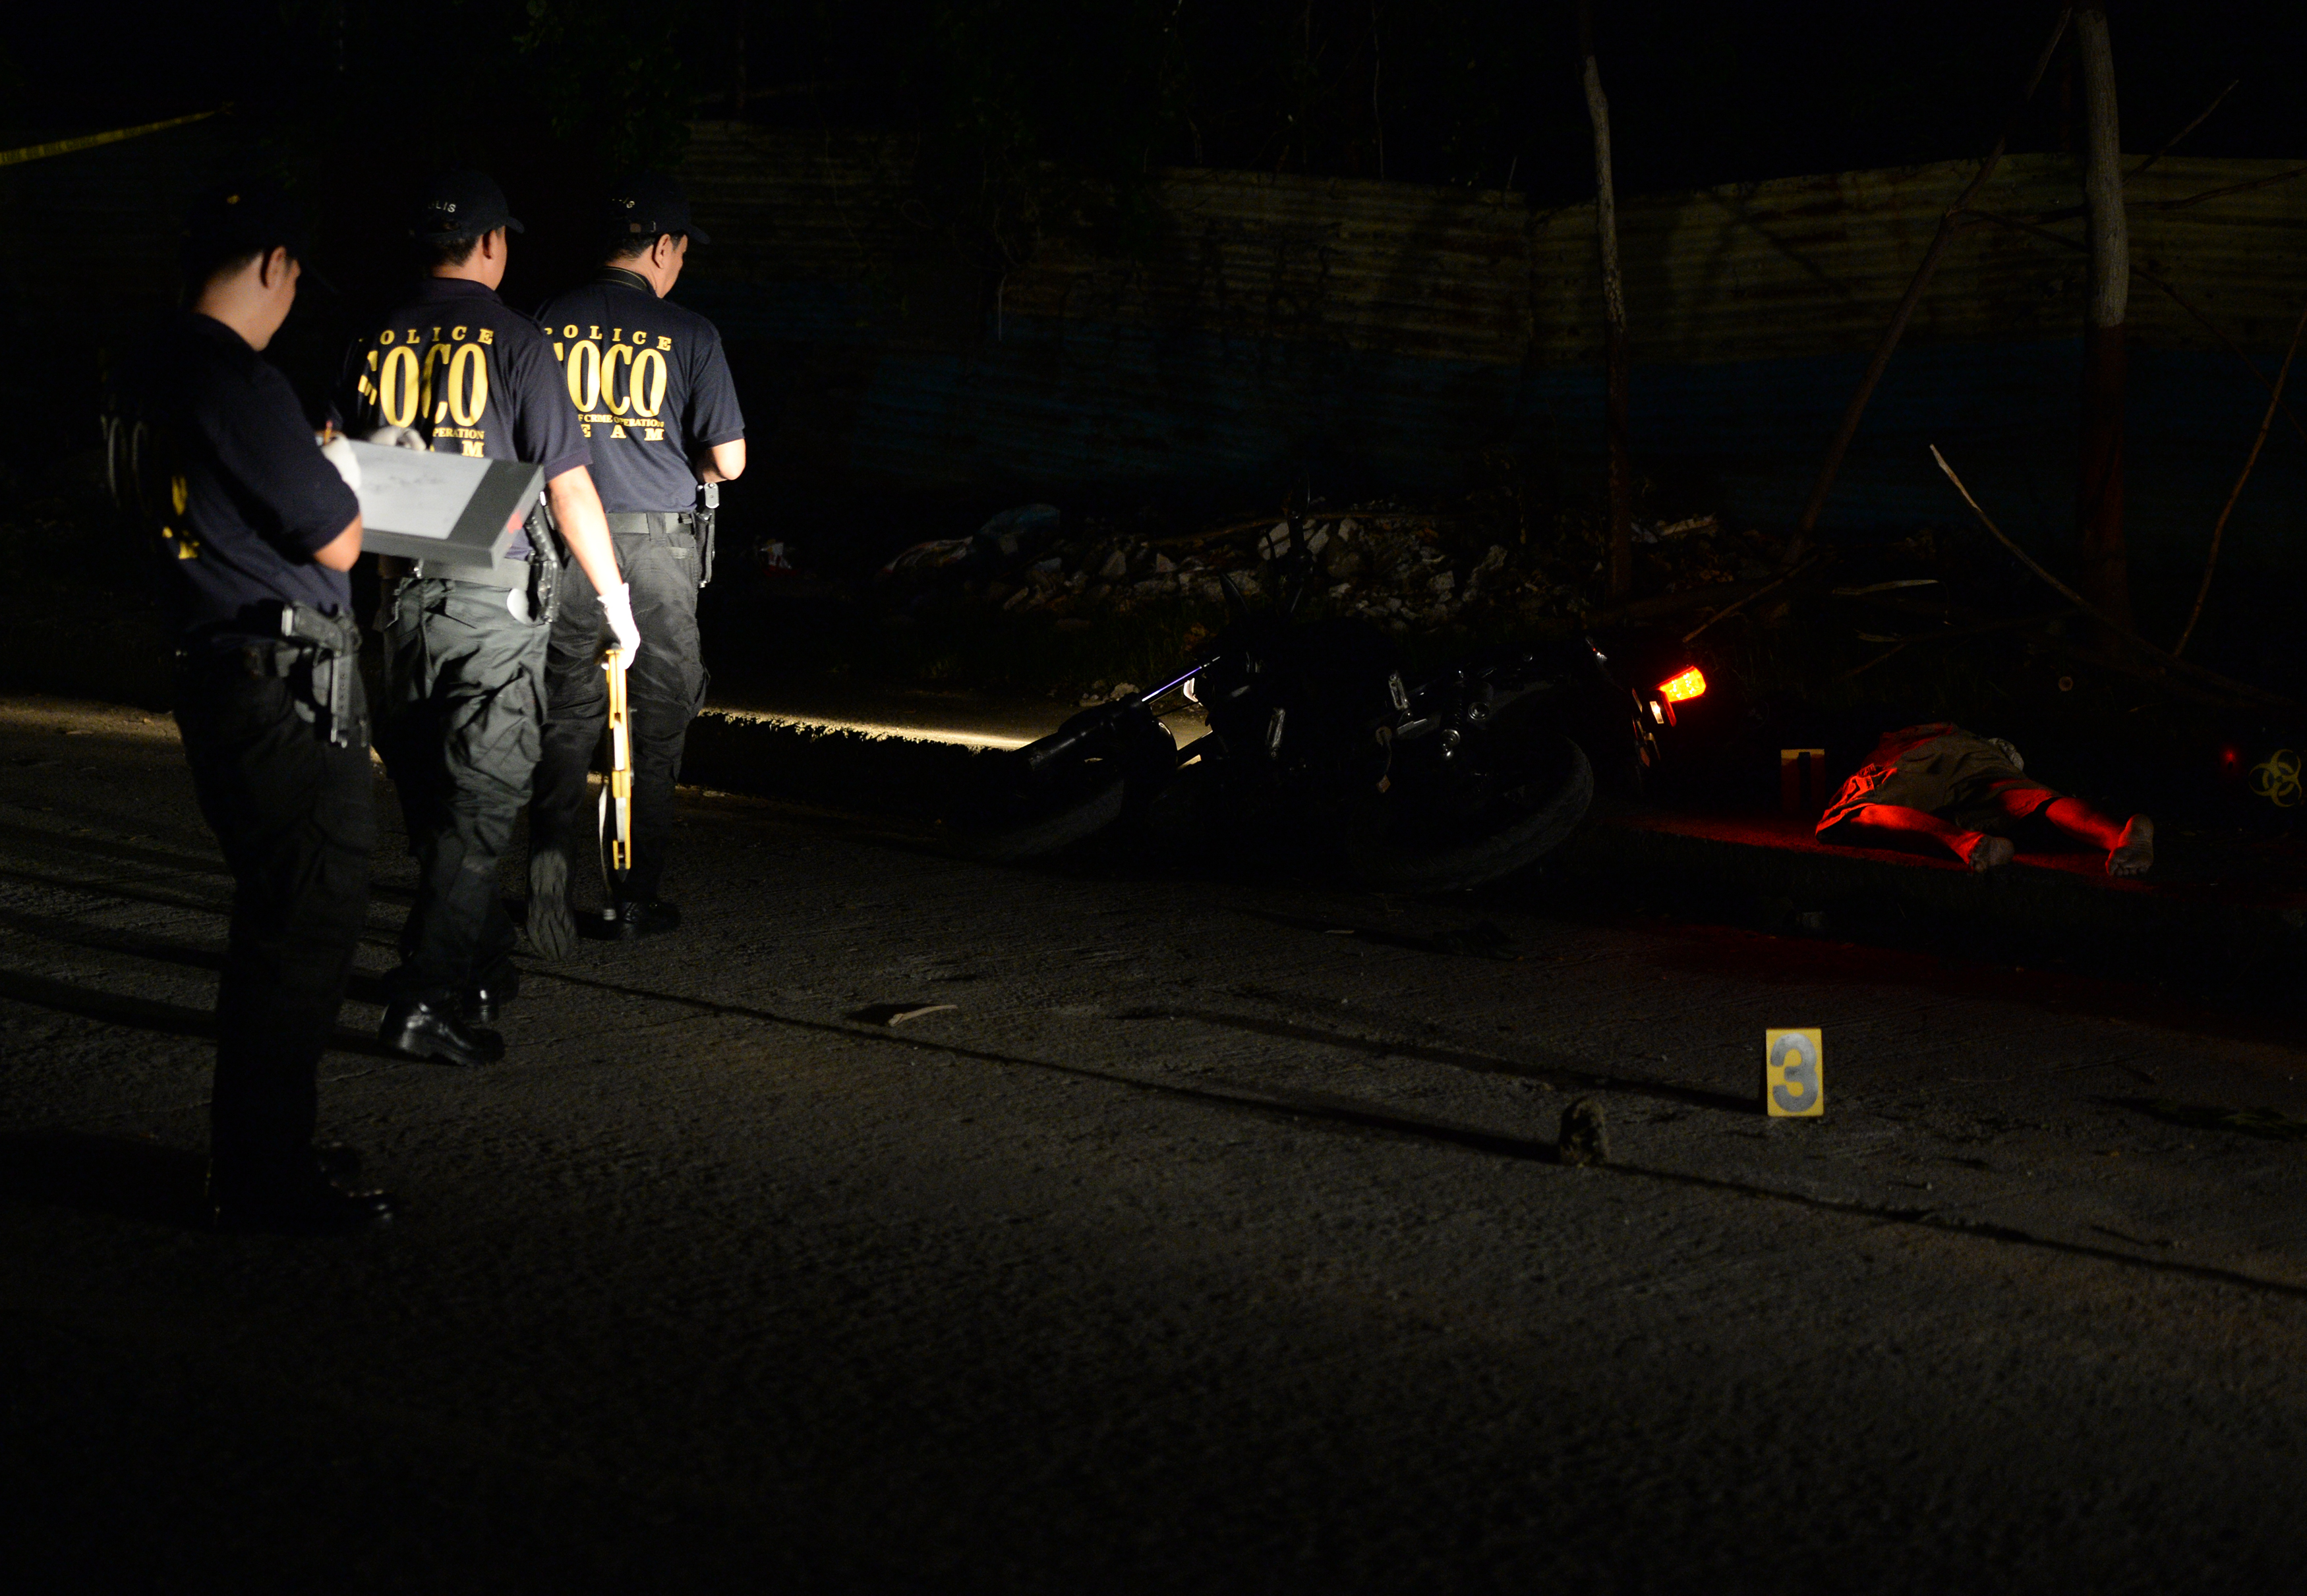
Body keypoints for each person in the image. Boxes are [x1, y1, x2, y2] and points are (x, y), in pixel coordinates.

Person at [105, 183, 393, 1232]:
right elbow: (340, 539)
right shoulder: (236, 377)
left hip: (214, 662)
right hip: (283, 685)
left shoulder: (144, 367)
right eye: (296, 279)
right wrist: (334, 466)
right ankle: (264, 1174)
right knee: (304, 929)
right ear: (275, 264)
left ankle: (261, 1145)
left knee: (276, 919)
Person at [338, 171, 639, 1066]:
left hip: (395, 599)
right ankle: (426, 997)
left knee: (435, 791)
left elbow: (335, 468)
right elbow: (568, 484)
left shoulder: (370, 337)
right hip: (490, 602)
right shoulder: (516, 342)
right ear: (492, 244)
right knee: (481, 800)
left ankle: (479, 964)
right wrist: (615, 600)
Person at [526, 171, 745, 954]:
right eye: (681, 250)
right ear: (661, 247)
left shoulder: (544, 320)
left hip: (563, 541)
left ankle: (545, 889)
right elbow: (729, 459)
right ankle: (632, 897)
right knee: (655, 722)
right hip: (657, 549)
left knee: (565, 718)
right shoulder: (691, 333)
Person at [1817, 722, 2153, 876]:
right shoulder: (1986, 747)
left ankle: (1967, 843)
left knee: (1857, 812)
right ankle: (2119, 834)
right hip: (1980, 752)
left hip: (1920, 751)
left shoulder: (1891, 734)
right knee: (2036, 799)